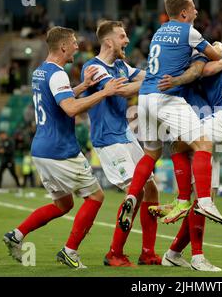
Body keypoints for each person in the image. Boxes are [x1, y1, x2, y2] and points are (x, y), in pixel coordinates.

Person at [2, 26, 126, 269]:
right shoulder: (58, 74)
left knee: (64, 204)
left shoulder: (40, 72)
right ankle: (70, 251)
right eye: (74, 43)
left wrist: (83, 86)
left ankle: (16, 235)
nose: (77, 47)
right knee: (96, 197)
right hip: (61, 150)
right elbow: (69, 108)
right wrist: (104, 93)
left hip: (41, 150)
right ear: (62, 47)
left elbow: (58, 100)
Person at [119, 0, 222, 234]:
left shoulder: (159, 30)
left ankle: (133, 194)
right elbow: (215, 56)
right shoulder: (188, 31)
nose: (197, 12)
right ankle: (206, 202)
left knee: (151, 153)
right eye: (194, 8)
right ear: (184, 12)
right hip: (166, 96)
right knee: (204, 144)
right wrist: (218, 46)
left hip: (144, 98)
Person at [153, 51, 222, 271]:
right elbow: (206, 68)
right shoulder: (186, 74)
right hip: (203, 131)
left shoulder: (198, 67)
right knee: (178, 145)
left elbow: (212, 58)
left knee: (205, 203)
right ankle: (183, 205)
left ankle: (174, 253)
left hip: (210, 132)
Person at [81, 20, 161, 267]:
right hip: (108, 139)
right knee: (133, 192)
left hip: (126, 135)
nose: (127, 40)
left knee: (151, 189)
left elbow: (150, 76)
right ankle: (114, 252)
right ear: (108, 41)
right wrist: (152, 82)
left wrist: (169, 74)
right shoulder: (94, 68)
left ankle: (147, 252)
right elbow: (121, 91)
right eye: (123, 36)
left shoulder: (120, 65)